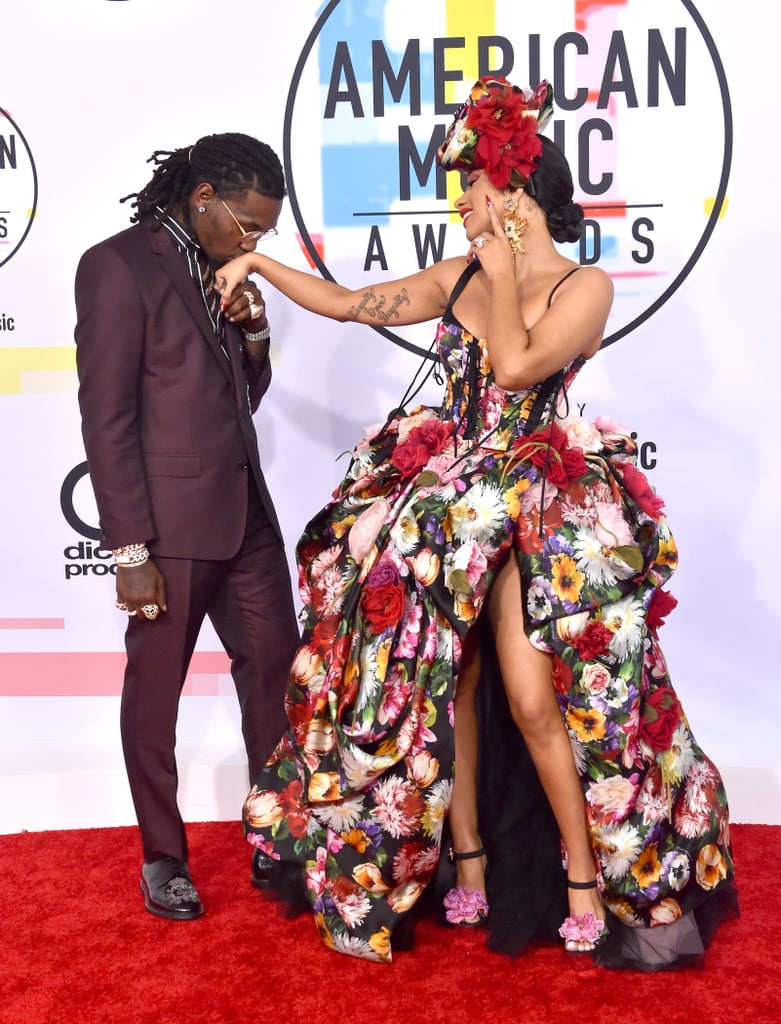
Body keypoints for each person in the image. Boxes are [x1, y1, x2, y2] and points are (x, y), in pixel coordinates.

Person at [215, 79, 737, 966]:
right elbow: (350, 303)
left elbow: (519, 364)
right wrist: (262, 266)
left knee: (537, 701)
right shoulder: (457, 272)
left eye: (471, 187)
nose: (458, 202)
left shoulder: (585, 284)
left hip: (541, 507)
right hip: (451, 504)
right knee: (436, 684)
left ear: (515, 193)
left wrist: (498, 276)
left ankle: (581, 874)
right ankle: (469, 864)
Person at [74, 133, 300, 921]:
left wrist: (257, 332)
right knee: (156, 693)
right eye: (247, 227)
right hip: (165, 530)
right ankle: (163, 856)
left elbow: (242, 395)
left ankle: (279, 840)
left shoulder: (220, 267)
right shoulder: (117, 266)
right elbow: (106, 420)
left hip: (248, 523)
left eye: (264, 233)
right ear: (202, 198)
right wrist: (129, 547)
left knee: (276, 678)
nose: (255, 243)